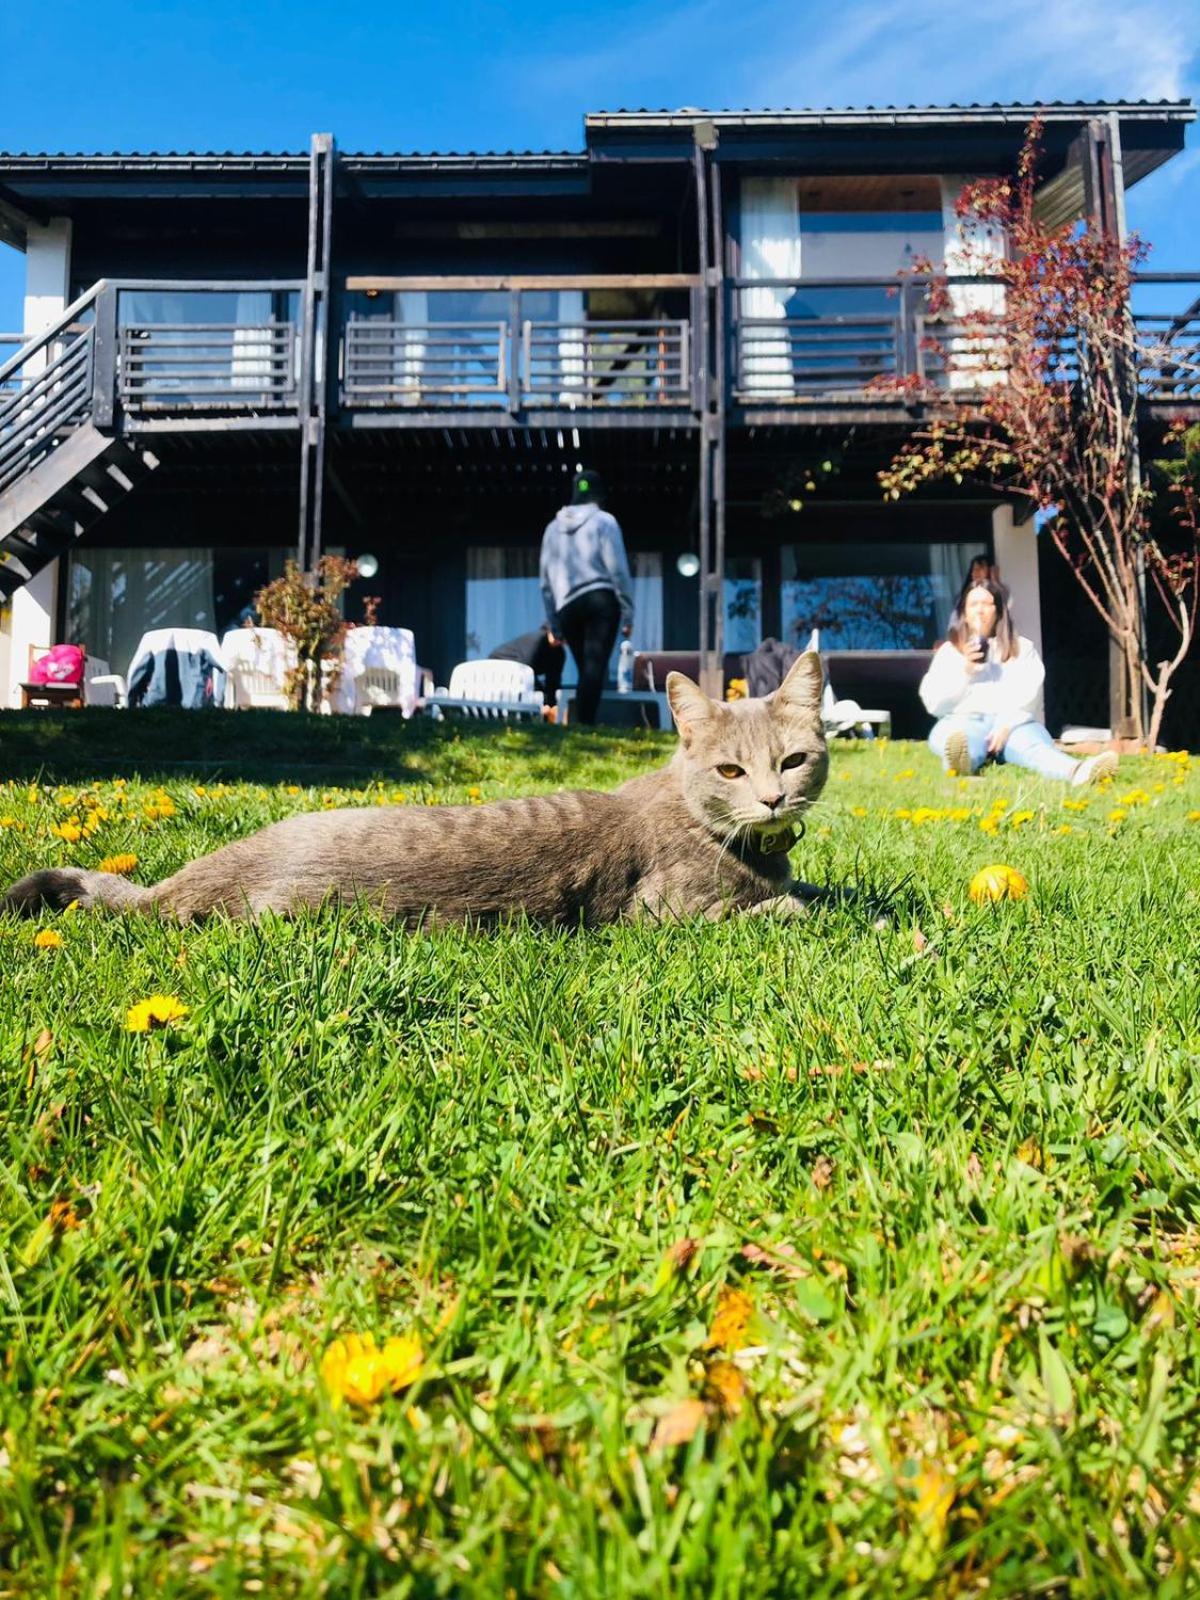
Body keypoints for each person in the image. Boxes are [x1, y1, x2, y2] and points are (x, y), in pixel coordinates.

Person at [919, 579, 1117, 785]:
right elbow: (935, 703)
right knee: (959, 740)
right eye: (973, 605)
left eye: (986, 604)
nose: (980, 611)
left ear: (998, 611)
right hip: (963, 720)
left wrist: (1006, 725)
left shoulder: (1021, 648)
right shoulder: (950, 653)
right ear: (964, 614)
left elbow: (1030, 693)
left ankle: (1078, 772)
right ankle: (961, 764)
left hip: (1013, 724)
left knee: (1033, 747)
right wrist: (965, 670)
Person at [539, 468, 634, 725]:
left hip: (567, 605)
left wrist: (554, 623)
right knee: (594, 668)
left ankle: (582, 723)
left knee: (587, 668)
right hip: (600, 600)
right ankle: (584, 725)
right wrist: (627, 610)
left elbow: (545, 584)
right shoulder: (604, 521)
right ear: (598, 497)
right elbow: (617, 569)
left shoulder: (551, 530)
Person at [488, 622, 566, 706]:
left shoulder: (559, 654)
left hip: (521, 672)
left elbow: (553, 681)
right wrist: (541, 692)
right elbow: (526, 671)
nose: (559, 640)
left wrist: (550, 705)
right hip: (499, 667)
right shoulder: (538, 640)